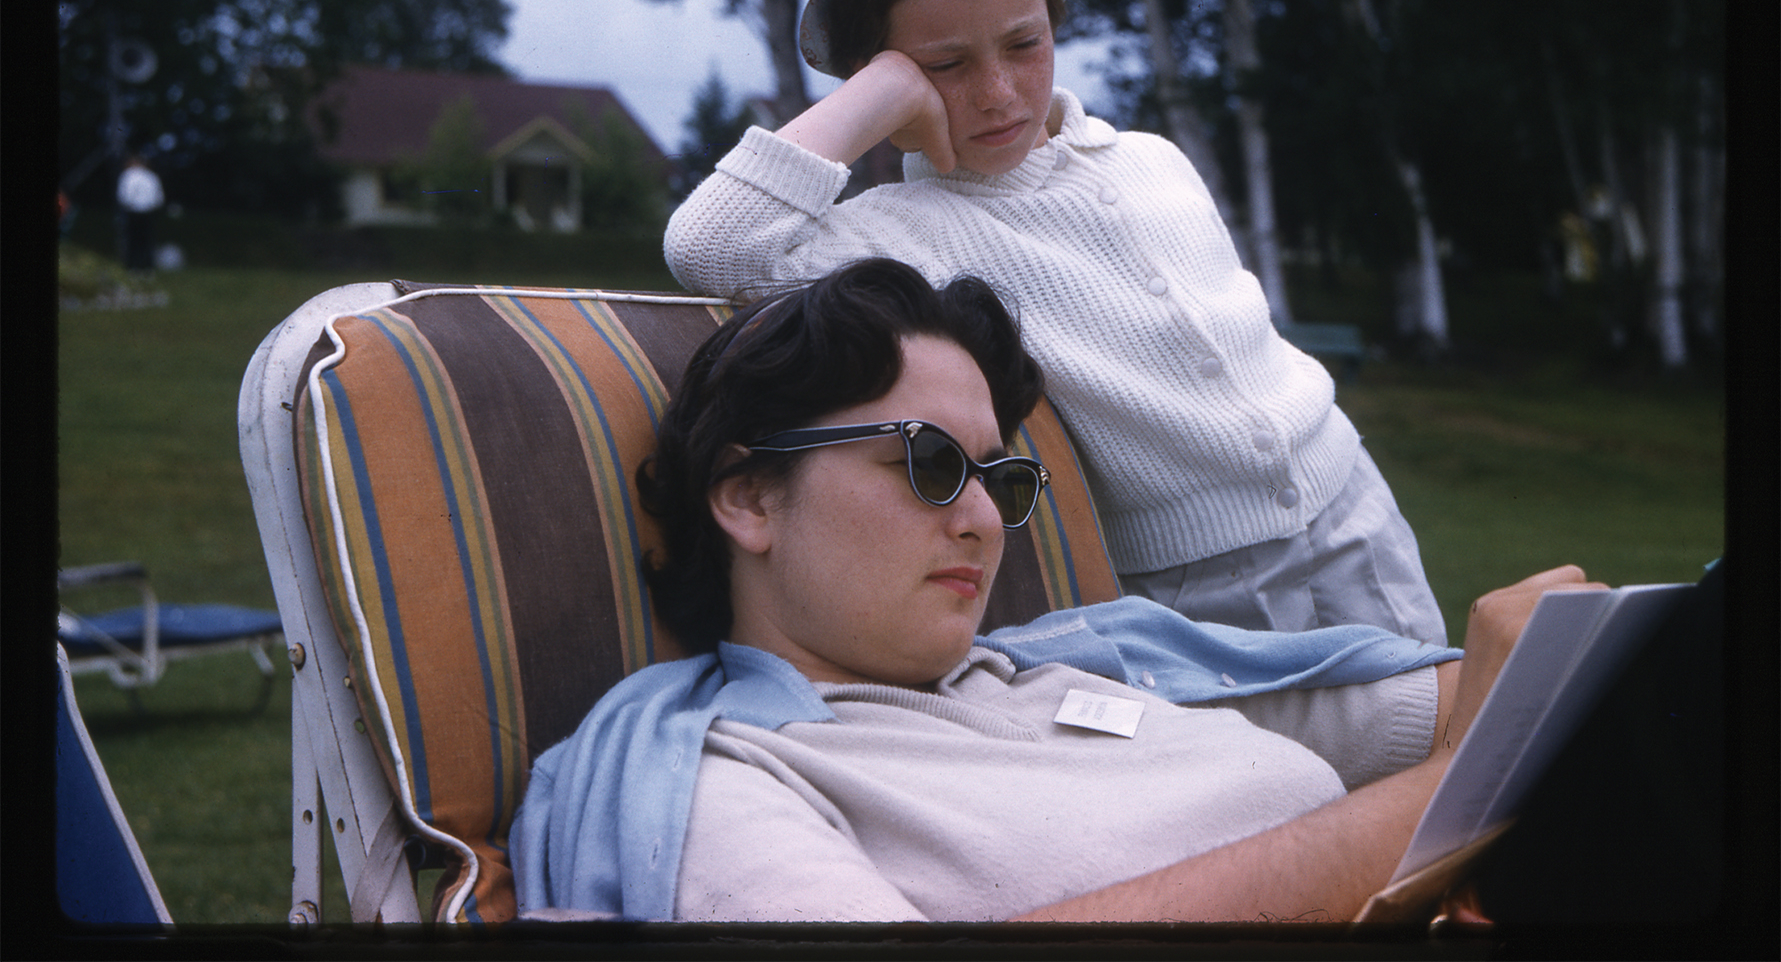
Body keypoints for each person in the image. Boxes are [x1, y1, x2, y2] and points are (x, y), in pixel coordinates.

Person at [510, 257, 1600, 922]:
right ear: (747, 499)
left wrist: (1559, 667)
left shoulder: (1090, 669)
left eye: (998, 474)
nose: (982, 516)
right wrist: (1449, 793)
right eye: (927, 463)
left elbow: (1474, 705)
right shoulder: (728, 778)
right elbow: (1460, 759)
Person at [664, 0, 1445, 644]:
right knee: (1299, 770)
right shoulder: (903, 235)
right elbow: (711, 248)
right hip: (1197, 584)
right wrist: (877, 95)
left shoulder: (1151, 159)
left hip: (1351, 499)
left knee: (1455, 723)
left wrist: (920, 70)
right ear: (879, 72)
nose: (997, 92)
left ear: (1055, 21)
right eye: (944, 64)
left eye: (1022, 44)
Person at [115, 154, 164, 274]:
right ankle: (148, 268)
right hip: (148, 212)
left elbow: (123, 195)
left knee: (133, 240)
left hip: (133, 212)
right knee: (147, 240)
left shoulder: (128, 175)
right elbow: (159, 197)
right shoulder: (152, 176)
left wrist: (128, 205)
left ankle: (133, 267)